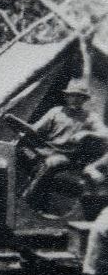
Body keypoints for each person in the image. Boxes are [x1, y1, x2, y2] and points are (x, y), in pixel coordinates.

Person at [23, 78, 104, 208]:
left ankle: (28, 202)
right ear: (66, 97)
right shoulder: (56, 111)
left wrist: (87, 133)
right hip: (47, 150)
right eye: (72, 95)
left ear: (84, 99)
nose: (75, 99)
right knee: (18, 152)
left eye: (80, 97)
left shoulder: (90, 117)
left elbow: (105, 133)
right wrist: (25, 130)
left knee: (52, 162)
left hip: (69, 157)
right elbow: (36, 129)